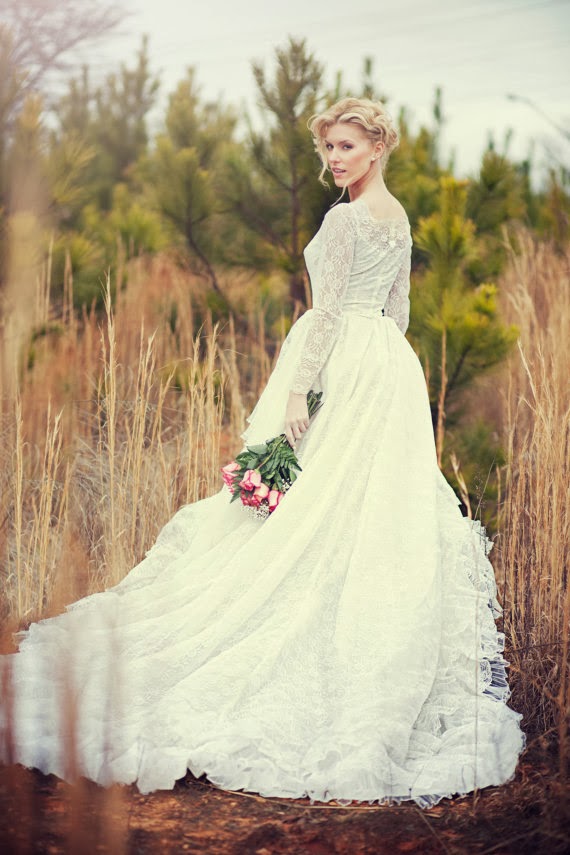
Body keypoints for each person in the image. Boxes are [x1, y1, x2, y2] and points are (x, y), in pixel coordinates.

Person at [0, 97, 524, 808]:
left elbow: (331, 314)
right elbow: (395, 313)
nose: (334, 159)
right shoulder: (398, 217)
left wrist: (298, 396)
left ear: (376, 148)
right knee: (361, 507)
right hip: (390, 369)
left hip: (343, 360)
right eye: (329, 148)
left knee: (317, 502)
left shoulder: (346, 220)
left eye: (346, 146)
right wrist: (380, 364)